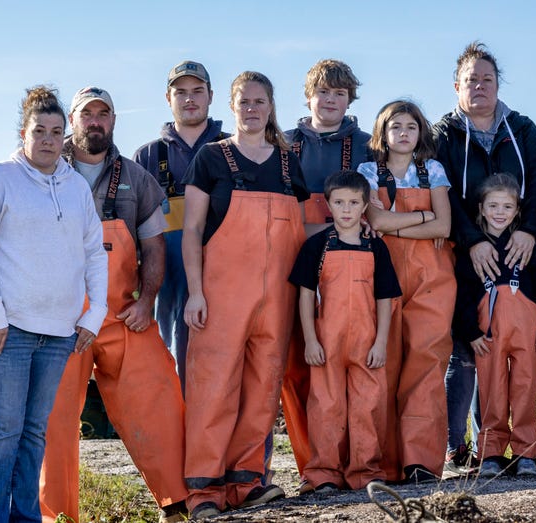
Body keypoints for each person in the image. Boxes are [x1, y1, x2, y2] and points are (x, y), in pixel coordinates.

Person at [40, 86, 189, 523]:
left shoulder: (138, 179)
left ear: (113, 121)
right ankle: (55, 514)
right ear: (72, 120)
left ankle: (177, 500)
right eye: (87, 114)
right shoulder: (43, 166)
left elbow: (154, 247)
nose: (96, 121)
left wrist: (147, 302)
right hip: (58, 317)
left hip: (122, 313)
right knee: (52, 416)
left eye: (104, 114)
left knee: (159, 393)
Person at [0, 86, 108, 522]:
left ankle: (25, 517)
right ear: (23, 133)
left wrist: (94, 313)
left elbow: (94, 253)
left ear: (65, 136)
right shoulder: (0, 179)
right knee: (3, 430)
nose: (47, 138)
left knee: (34, 431)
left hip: (61, 330)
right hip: (8, 328)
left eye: (56, 131)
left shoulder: (76, 187)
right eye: (39, 130)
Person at [182, 71, 308, 519]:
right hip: (220, 294)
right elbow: (193, 229)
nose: (252, 109)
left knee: (263, 388)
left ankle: (248, 482)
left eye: (259, 101)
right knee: (213, 389)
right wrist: (195, 293)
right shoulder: (211, 159)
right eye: (243, 102)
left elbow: (304, 227)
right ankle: (203, 491)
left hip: (278, 295)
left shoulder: (290, 162)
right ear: (231, 108)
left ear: (271, 106)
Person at [430, 42, 536, 474]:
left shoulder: (522, 129)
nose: (479, 86)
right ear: (456, 86)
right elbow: (441, 190)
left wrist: (528, 232)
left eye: (487, 79)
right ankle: (456, 447)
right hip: (463, 250)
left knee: (508, 359)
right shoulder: (443, 134)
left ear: (498, 85)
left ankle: (499, 451)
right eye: (471, 80)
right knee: (466, 351)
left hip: (515, 244)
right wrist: (471, 240)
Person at [280, 59, 373, 483]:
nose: (331, 100)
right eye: (323, 92)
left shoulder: (370, 145)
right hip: (288, 261)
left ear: (349, 98)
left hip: (348, 270)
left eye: (340, 93)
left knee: (355, 372)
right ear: (308, 96)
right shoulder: (281, 144)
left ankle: (359, 464)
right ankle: (313, 466)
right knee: (298, 367)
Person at [357, 100, 453, 483]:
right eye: (395, 126)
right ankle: (381, 462)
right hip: (382, 275)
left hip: (434, 279)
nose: (403, 133)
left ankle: (420, 462)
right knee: (384, 365)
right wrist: (421, 218)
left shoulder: (433, 169)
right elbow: (374, 218)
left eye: (411, 126)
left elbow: (444, 226)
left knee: (426, 365)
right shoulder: (367, 171)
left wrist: (394, 224)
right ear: (382, 132)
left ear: (421, 133)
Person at [289, 170, 400, 492]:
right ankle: (323, 474)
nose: (347, 210)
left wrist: (381, 342)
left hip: (367, 343)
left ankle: (366, 473)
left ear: (365, 206)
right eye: (339, 202)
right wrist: (310, 339)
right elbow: (306, 295)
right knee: (326, 407)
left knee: (369, 407)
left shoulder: (376, 247)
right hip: (327, 342)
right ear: (328, 204)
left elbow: (385, 298)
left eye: (354, 203)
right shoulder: (316, 246)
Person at [452, 174, 536, 478]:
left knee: (525, 393)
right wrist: (471, 332)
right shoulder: (471, 251)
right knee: (491, 395)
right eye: (493, 206)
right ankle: (490, 454)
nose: (500, 212)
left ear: (517, 211)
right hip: (488, 337)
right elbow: (460, 297)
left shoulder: (526, 248)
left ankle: (527, 454)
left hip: (526, 333)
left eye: (507, 206)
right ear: (481, 209)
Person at [133, 60, 230, 394]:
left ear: (211, 96)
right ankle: (174, 442)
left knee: (223, 365)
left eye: (197, 91)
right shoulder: (146, 156)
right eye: (181, 92)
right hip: (167, 280)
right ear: (168, 98)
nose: (190, 99)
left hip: (224, 275)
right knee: (167, 365)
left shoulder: (233, 149)